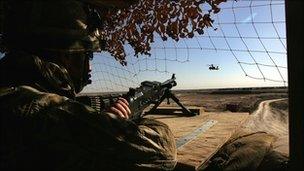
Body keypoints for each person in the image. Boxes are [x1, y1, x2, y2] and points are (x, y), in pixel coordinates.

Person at [0, 1, 177, 170]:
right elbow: (163, 152)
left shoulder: (12, 89)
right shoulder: (46, 110)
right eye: (88, 55)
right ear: (66, 54)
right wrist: (121, 122)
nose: (90, 65)